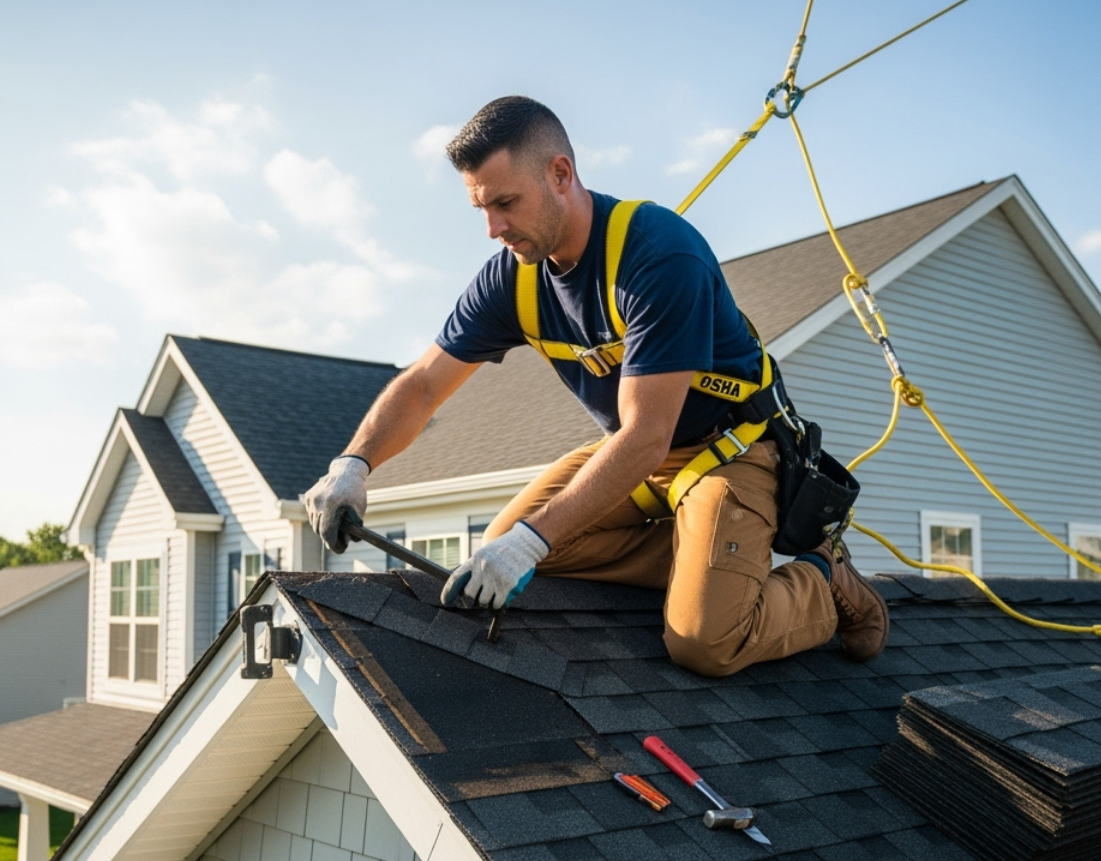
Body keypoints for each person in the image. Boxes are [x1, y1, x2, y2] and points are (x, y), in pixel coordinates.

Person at [302, 95, 887, 677]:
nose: (492, 228)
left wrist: (535, 541)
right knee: (504, 546)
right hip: (639, 458)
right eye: (481, 208)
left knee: (705, 642)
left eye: (506, 203)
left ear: (561, 174)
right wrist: (354, 465)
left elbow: (645, 437)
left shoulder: (658, 255)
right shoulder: (514, 278)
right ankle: (712, 561)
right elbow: (425, 383)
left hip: (729, 453)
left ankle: (819, 574)